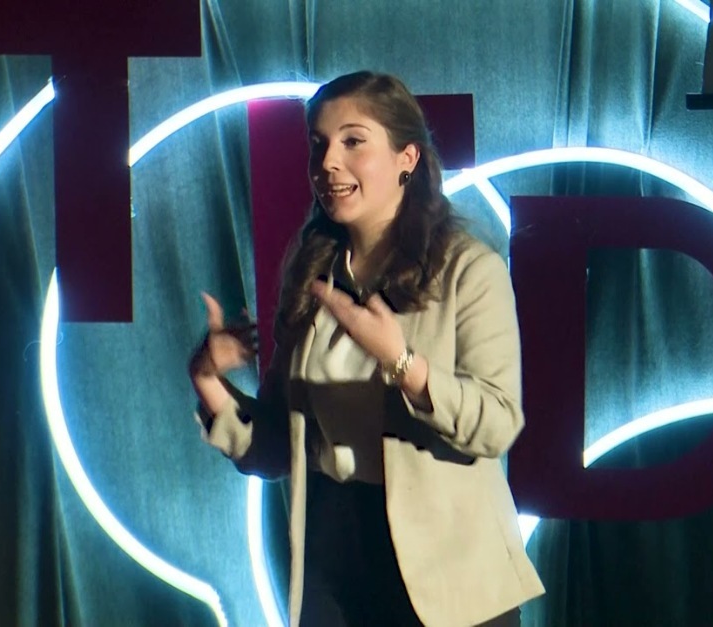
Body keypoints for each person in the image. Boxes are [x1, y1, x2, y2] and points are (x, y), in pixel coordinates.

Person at [188, 70, 545, 627]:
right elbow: (281, 448)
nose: (328, 162)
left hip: (447, 567)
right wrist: (209, 379)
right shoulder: (313, 270)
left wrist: (403, 365)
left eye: (353, 141)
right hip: (334, 555)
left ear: (407, 158)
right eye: (319, 144)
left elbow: (496, 425)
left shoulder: (469, 269)